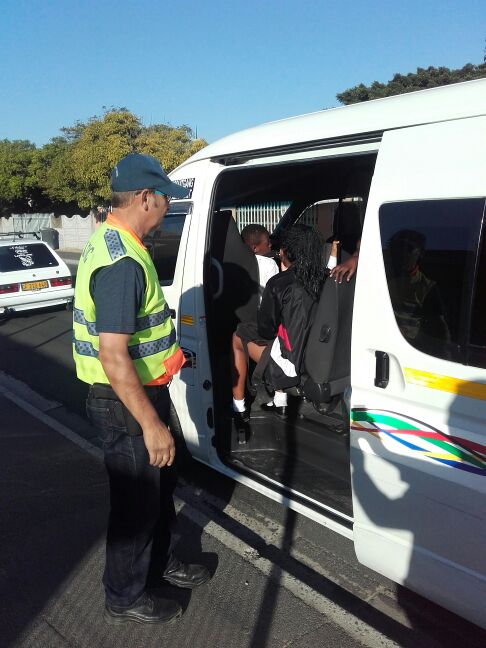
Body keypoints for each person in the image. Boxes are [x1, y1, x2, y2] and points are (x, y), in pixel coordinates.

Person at [72, 153, 210, 626]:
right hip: (125, 405)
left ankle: (161, 563)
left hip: (141, 393)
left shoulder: (110, 240)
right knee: (136, 503)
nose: (165, 212)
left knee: (160, 487)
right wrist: (151, 424)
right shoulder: (122, 260)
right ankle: (125, 595)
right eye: (164, 202)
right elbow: (113, 354)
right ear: (145, 197)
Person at [231, 225, 326, 441]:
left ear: (288, 253)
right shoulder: (325, 278)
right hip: (317, 358)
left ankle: (238, 407)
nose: (279, 252)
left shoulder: (280, 283)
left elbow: (266, 329)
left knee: (237, 337)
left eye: (282, 249)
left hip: (291, 366)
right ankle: (280, 401)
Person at [240, 223, 279, 301]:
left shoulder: (235, 260)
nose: (270, 245)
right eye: (268, 243)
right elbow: (275, 294)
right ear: (254, 248)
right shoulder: (269, 264)